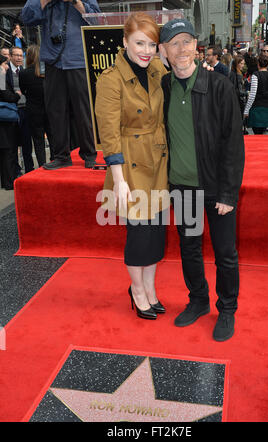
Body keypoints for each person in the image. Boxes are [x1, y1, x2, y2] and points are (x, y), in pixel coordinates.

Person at [159, 19, 245, 342]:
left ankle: (226, 308)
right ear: (164, 51)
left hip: (215, 189)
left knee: (225, 252)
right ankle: (197, 300)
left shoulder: (220, 86)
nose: (182, 49)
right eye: (174, 43)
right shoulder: (165, 87)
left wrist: (228, 192)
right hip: (183, 190)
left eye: (187, 42)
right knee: (190, 248)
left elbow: (234, 144)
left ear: (197, 46)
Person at [95, 12, 170, 320]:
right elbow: (109, 133)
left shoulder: (156, 68)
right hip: (130, 165)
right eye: (139, 43)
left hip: (159, 160)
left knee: (156, 233)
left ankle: (151, 289)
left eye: (152, 44)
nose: (146, 50)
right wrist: (119, 179)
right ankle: (137, 291)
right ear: (124, 42)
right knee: (139, 235)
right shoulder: (110, 80)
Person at [21, 0, 100, 170]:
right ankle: (61, 155)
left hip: (78, 59)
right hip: (52, 61)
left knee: (84, 110)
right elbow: (26, 17)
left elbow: (97, 20)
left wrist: (76, 2)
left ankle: (90, 154)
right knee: (55, 111)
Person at [19, 44, 54, 167]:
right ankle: (55, 163)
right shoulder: (49, 72)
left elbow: (23, 91)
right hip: (49, 109)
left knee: (38, 141)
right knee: (53, 138)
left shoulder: (24, 73)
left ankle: (42, 166)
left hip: (33, 111)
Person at [7, 46, 34, 174]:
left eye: (20, 55)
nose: (19, 58)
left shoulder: (25, 71)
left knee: (27, 143)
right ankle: (16, 170)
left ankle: (29, 169)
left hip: (25, 111)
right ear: (10, 57)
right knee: (13, 144)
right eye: (16, 55)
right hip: (12, 111)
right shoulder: (4, 72)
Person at [0, 54, 21, 190]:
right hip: (4, 121)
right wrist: (17, 96)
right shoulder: (0, 77)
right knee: (7, 150)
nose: (7, 66)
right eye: (5, 64)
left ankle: (7, 181)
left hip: (3, 121)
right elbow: (5, 95)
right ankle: (9, 182)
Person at [244, 55, 268, 134]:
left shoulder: (255, 75)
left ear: (258, 64)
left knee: (256, 133)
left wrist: (246, 110)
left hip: (256, 107)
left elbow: (252, 94)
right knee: (263, 132)